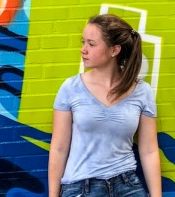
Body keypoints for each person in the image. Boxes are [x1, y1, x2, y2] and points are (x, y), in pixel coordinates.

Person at [48, 14, 162, 197]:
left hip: (127, 185)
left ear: (114, 50)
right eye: (83, 42)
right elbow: (59, 148)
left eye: (91, 44)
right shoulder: (70, 88)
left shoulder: (142, 92)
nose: (83, 50)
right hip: (81, 187)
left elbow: (149, 150)